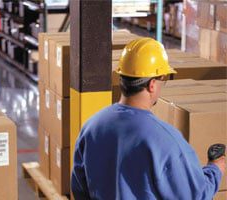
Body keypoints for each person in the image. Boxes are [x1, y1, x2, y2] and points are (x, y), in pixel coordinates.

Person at [71, 38, 226, 199]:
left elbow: (79, 188)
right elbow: (195, 195)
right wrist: (215, 169)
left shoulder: (91, 127)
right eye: (163, 79)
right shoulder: (166, 140)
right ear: (152, 84)